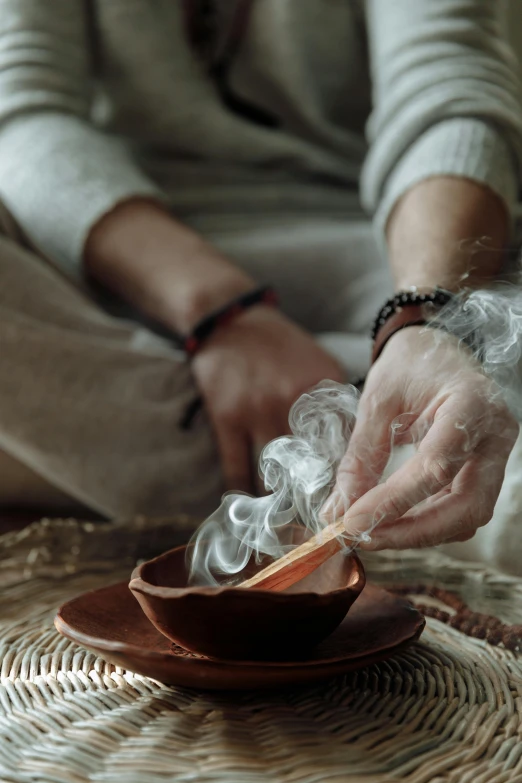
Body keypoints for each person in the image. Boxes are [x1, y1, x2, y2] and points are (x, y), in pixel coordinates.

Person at [0, 0, 520, 557]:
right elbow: (24, 113)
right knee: (492, 439)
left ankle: (105, 462)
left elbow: (448, 94)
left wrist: (422, 321)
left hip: (391, 246)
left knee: (495, 327)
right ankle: (395, 487)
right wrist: (227, 312)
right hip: (125, 259)